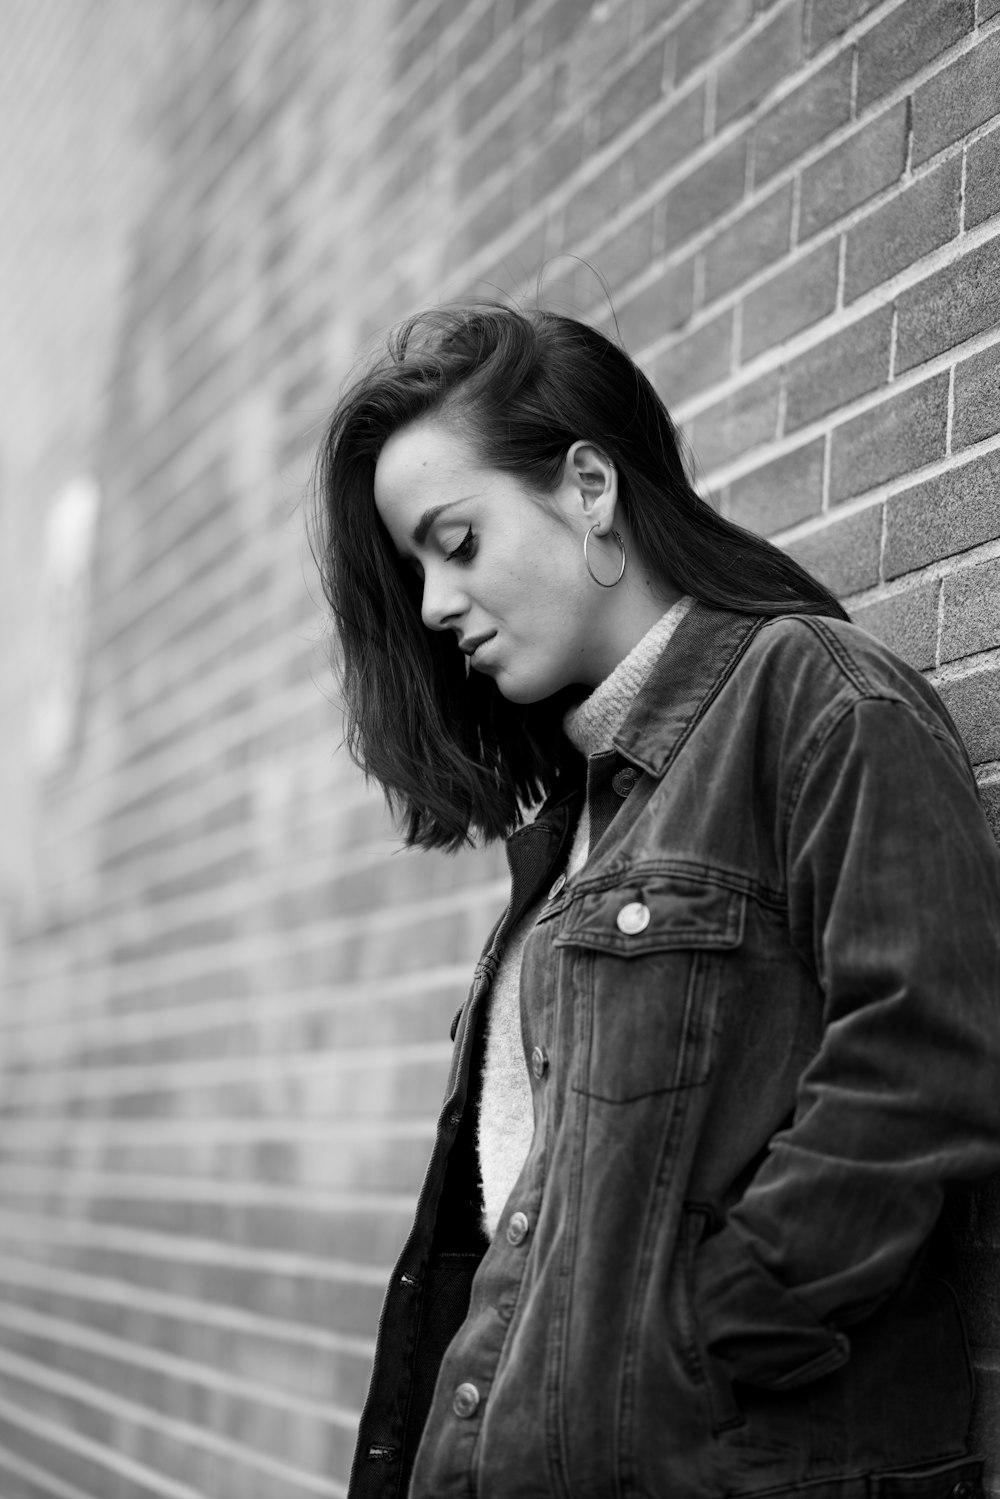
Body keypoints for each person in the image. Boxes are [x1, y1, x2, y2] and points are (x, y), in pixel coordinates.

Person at [313, 303, 1000, 1499]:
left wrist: (699, 1338)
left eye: (456, 540)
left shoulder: (820, 704)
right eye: (416, 565)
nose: (431, 603)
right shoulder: (579, 814)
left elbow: (924, 1062)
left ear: (588, 484)